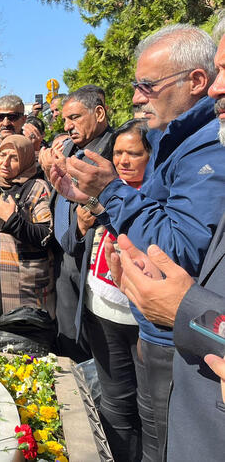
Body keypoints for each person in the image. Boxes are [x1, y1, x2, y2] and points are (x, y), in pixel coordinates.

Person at [50, 24, 225, 459]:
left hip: (184, 340)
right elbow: (152, 221)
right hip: (159, 330)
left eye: (147, 85)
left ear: (195, 82)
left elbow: (176, 251)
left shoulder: (210, 147)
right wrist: (95, 199)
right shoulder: (174, 140)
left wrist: (111, 191)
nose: (135, 98)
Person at [60, 120, 150, 461]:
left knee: (148, 408)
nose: (125, 160)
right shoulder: (99, 193)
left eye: (134, 153)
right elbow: (73, 245)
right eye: (118, 153)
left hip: (141, 320)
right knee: (114, 404)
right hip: (101, 313)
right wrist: (83, 226)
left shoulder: (157, 196)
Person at [39, 85, 114, 362]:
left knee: (93, 342)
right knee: (67, 333)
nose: (68, 126)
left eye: (75, 118)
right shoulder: (69, 148)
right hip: (64, 253)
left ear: (99, 112)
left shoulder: (113, 149)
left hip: (91, 258)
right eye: (65, 120)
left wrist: (87, 220)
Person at [0, 135, 54, 332]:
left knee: (24, 353)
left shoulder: (37, 188)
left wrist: (12, 218)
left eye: (13, 157)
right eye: (1, 155)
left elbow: (45, 236)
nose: (4, 162)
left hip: (23, 291)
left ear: (25, 160)